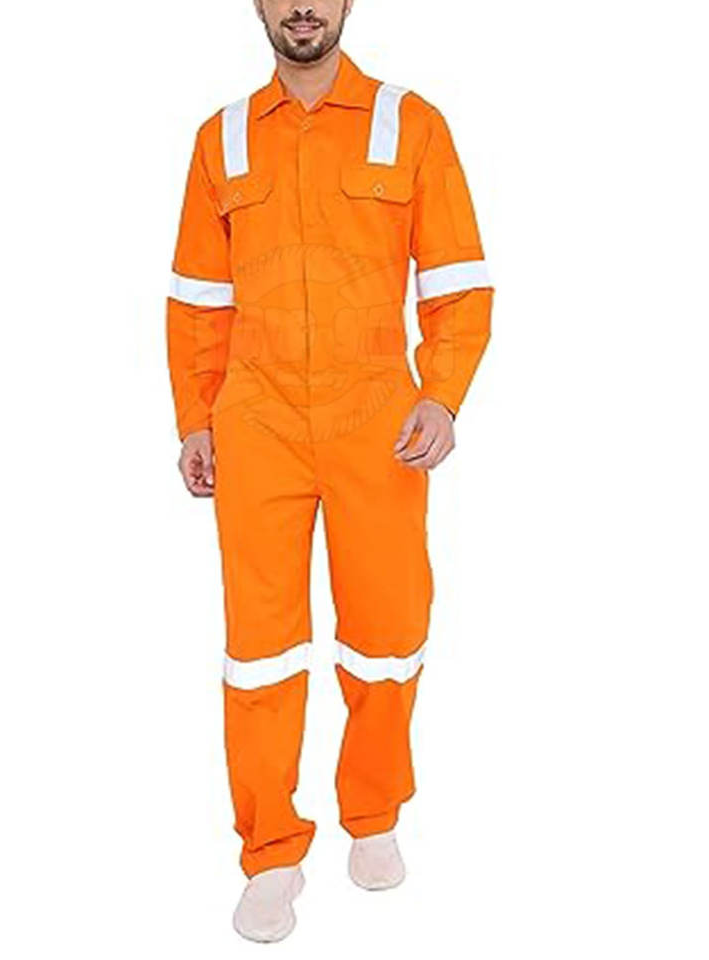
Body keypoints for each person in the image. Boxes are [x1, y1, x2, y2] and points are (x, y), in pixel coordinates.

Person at [166, 0, 493, 942]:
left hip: (376, 419)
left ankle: (374, 810)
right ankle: (270, 852)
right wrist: (195, 418)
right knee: (259, 647)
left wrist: (443, 395)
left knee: (388, 631)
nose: (301, 6)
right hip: (256, 421)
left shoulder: (412, 124)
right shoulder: (221, 139)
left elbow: (457, 280)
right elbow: (198, 298)